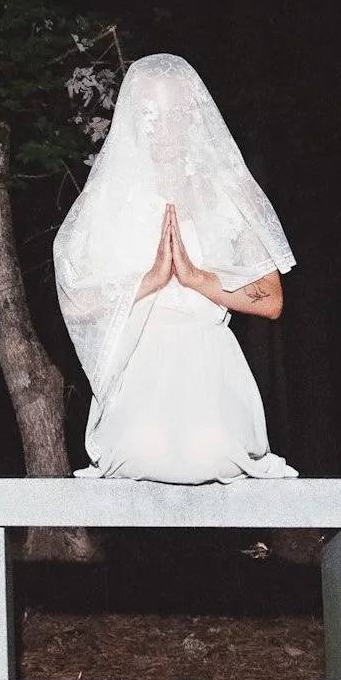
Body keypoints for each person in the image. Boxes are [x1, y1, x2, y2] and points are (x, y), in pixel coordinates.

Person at [53, 53, 298, 483]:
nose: (163, 128)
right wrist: (148, 281)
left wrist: (195, 278)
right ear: (134, 118)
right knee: (141, 451)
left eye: (174, 113)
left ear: (193, 115)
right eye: (151, 114)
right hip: (138, 360)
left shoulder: (228, 190)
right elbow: (75, 301)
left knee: (210, 453)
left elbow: (271, 299)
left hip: (208, 362)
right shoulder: (109, 198)